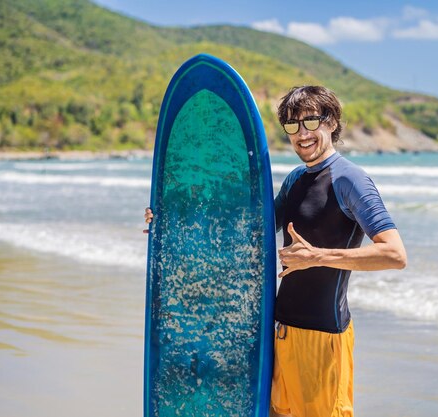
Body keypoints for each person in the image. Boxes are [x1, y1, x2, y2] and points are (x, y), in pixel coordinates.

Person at [144, 85, 407, 417]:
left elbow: (395, 254)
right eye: (293, 125)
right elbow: (243, 232)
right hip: (278, 334)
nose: (302, 134)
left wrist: (318, 257)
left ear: (331, 122)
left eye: (310, 122)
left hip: (323, 339)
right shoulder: (296, 180)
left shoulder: (350, 180)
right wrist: (169, 222)